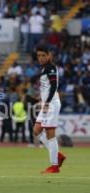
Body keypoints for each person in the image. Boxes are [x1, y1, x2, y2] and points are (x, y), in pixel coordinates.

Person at [33, 45, 66, 173]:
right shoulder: (44, 69)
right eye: (38, 56)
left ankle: (54, 165)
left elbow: (53, 86)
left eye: (43, 55)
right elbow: (46, 88)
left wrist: (46, 102)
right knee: (36, 130)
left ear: (49, 55)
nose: (40, 58)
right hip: (47, 103)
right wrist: (41, 100)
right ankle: (57, 155)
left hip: (51, 104)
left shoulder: (51, 68)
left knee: (49, 133)